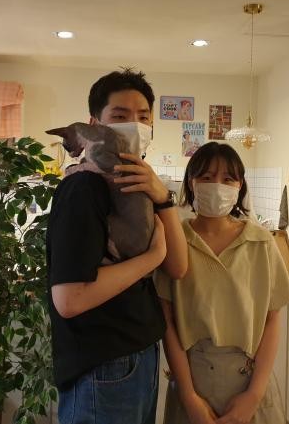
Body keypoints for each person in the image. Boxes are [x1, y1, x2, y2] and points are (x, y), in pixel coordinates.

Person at [47, 68, 188, 424]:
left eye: (144, 117)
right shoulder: (84, 188)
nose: (134, 125)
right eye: (120, 116)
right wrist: (152, 257)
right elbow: (69, 299)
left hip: (139, 353)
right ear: (94, 124)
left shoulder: (139, 183)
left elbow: (178, 267)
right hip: (104, 364)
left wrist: (162, 197)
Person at [155, 142, 289, 424]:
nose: (217, 185)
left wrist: (254, 395)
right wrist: (189, 396)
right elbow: (167, 323)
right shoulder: (176, 241)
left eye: (228, 178)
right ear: (191, 183)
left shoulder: (260, 242)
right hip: (193, 384)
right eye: (206, 177)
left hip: (249, 381)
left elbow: (272, 320)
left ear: (239, 186)